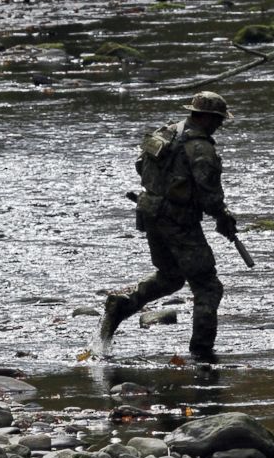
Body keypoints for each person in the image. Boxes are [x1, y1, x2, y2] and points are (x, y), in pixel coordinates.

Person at [99, 91, 238, 359]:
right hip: (179, 221)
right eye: (218, 120)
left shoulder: (164, 133)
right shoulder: (202, 149)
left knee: (171, 276)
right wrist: (223, 217)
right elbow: (210, 195)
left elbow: (140, 165)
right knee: (208, 286)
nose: (220, 125)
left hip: (150, 214)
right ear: (207, 118)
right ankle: (202, 354)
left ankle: (123, 304)